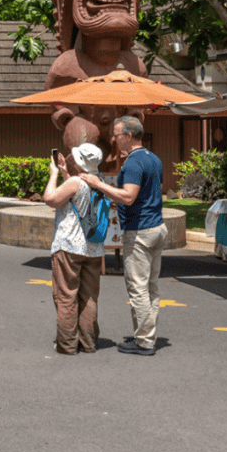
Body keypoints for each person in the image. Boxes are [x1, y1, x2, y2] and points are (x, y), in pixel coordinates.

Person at [81, 115, 167, 356]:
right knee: (151, 286)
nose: (113, 139)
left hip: (140, 230)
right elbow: (148, 194)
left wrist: (98, 185)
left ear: (129, 136)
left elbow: (128, 196)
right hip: (157, 226)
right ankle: (147, 334)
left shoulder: (132, 164)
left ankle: (144, 342)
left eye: (117, 135)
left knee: (138, 287)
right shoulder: (154, 158)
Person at [42, 143, 104, 354]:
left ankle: (68, 344)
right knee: (88, 297)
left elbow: (50, 199)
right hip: (93, 248)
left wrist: (53, 175)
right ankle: (88, 342)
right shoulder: (98, 181)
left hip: (69, 245)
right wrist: (66, 173)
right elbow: (77, 196)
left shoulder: (77, 182)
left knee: (66, 294)